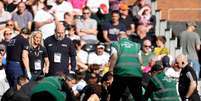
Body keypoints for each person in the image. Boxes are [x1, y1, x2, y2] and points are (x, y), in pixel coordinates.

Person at [109, 30, 143, 101]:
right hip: (136, 74)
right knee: (138, 97)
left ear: (118, 38)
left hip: (121, 73)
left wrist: (111, 70)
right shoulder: (136, 45)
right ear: (127, 38)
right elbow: (140, 61)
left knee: (115, 97)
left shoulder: (116, 44)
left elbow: (114, 56)